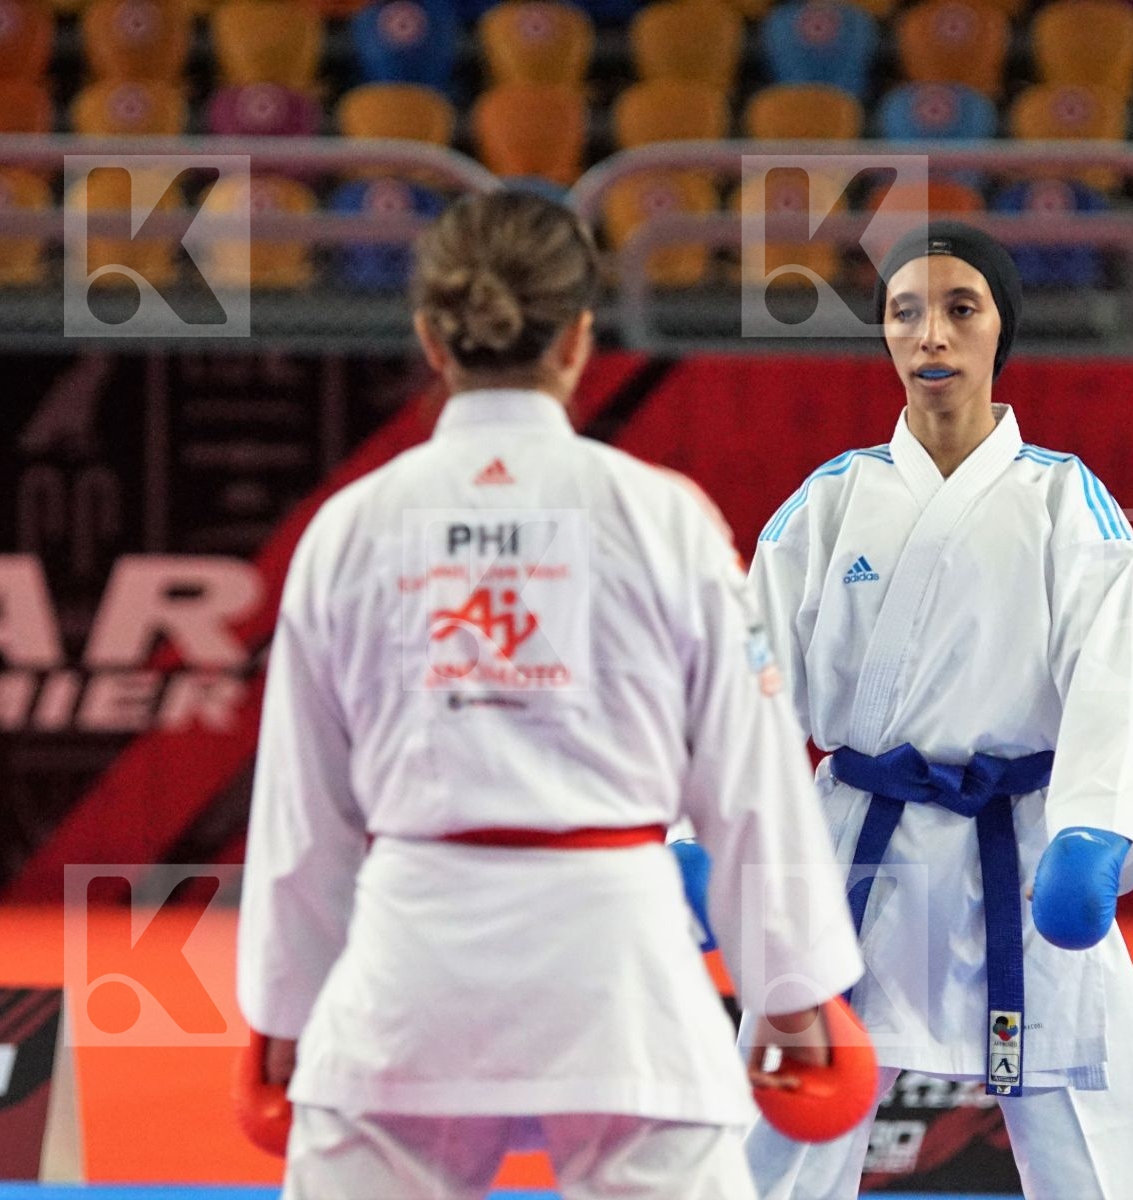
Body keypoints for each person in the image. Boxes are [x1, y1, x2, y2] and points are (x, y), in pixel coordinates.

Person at [235, 190, 865, 1200]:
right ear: (578, 339)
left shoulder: (349, 529)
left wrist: (284, 1017)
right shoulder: (663, 518)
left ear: (431, 343)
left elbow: (304, 816)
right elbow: (750, 789)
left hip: (408, 977)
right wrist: (795, 999)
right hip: (620, 976)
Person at [741, 222, 1133, 1198]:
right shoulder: (830, 502)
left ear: (1001, 332)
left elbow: (1107, 681)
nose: (931, 336)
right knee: (783, 1108)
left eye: (960, 309)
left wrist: (1093, 832)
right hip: (859, 838)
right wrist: (719, 829)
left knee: (1096, 1093)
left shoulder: (1065, 502)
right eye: (905, 313)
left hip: (1022, 839)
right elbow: (751, 687)